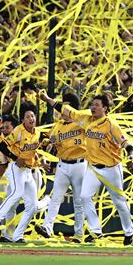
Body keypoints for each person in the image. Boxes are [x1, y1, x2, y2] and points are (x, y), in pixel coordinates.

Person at [58, 94, 133, 245]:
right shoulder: (86, 119)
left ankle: (129, 232)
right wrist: (47, 100)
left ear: (105, 108)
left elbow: (125, 142)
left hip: (111, 168)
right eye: (92, 104)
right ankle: (96, 231)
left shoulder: (111, 124)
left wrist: (132, 154)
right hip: (93, 168)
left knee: (119, 202)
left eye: (96, 105)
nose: (93, 107)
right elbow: (66, 110)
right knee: (84, 196)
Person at [39, 92, 94, 241]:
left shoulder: (81, 121)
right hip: (63, 165)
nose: (61, 111)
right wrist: (47, 143)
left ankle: (78, 234)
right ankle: (47, 228)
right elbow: (47, 139)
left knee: (78, 201)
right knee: (56, 197)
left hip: (80, 164)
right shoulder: (58, 126)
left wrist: (48, 99)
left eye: (65, 107)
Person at [0, 109, 41, 243]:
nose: (31, 118)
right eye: (28, 116)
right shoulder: (18, 131)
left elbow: (36, 148)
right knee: (17, 193)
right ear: (23, 120)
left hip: (29, 171)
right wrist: (15, 157)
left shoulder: (38, 133)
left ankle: (17, 235)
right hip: (16, 168)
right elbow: (1, 146)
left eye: (33, 116)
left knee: (32, 206)